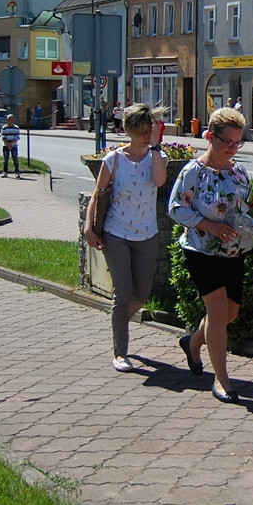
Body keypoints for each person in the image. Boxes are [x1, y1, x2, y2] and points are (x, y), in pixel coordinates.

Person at [167, 108, 252, 404]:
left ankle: (192, 343)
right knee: (217, 313)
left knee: (230, 314)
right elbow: (176, 208)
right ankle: (222, 379)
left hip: (234, 251)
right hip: (201, 250)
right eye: (227, 141)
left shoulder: (239, 171)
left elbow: (245, 207)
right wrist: (209, 226)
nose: (233, 148)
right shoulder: (194, 171)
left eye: (238, 142)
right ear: (209, 137)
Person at [85, 104, 168, 373]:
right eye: (142, 131)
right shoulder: (114, 160)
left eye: (150, 130)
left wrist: (155, 148)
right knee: (123, 294)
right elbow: (97, 195)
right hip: (116, 233)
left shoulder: (158, 157)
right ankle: (120, 352)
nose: (147, 135)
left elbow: (158, 181)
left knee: (141, 295)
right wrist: (89, 227)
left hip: (146, 234)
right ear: (130, 131)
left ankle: (118, 320)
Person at [1, 114, 21, 178]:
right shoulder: (4, 128)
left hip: (14, 146)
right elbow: (3, 137)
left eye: (13, 119)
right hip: (5, 146)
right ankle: (5, 172)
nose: (12, 121)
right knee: (5, 159)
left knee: (15, 159)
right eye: (10, 119)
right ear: (7, 120)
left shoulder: (16, 128)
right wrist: (8, 144)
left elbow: (17, 137)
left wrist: (11, 144)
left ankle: (17, 172)